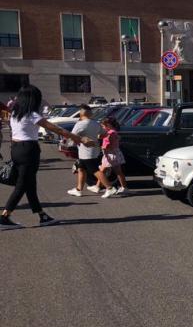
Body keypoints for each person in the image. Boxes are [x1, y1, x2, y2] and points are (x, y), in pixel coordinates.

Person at [1, 85, 94, 230]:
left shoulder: (15, 114)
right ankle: (4, 217)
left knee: (30, 184)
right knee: (22, 185)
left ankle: (42, 216)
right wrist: (79, 139)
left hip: (16, 149)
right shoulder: (32, 115)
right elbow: (56, 129)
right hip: (28, 151)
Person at [67, 104, 104, 197]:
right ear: (90, 113)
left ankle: (110, 187)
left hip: (85, 152)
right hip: (94, 150)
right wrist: (95, 139)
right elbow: (104, 133)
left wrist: (73, 143)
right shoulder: (96, 123)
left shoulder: (80, 124)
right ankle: (78, 189)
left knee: (94, 170)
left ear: (81, 113)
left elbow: (72, 136)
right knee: (81, 168)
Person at [95, 116, 128, 198]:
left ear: (108, 125)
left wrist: (102, 147)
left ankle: (102, 187)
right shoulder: (111, 132)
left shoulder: (111, 133)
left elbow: (110, 145)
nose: (102, 128)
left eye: (103, 126)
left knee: (102, 171)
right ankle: (123, 187)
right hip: (112, 154)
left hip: (110, 154)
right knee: (116, 171)